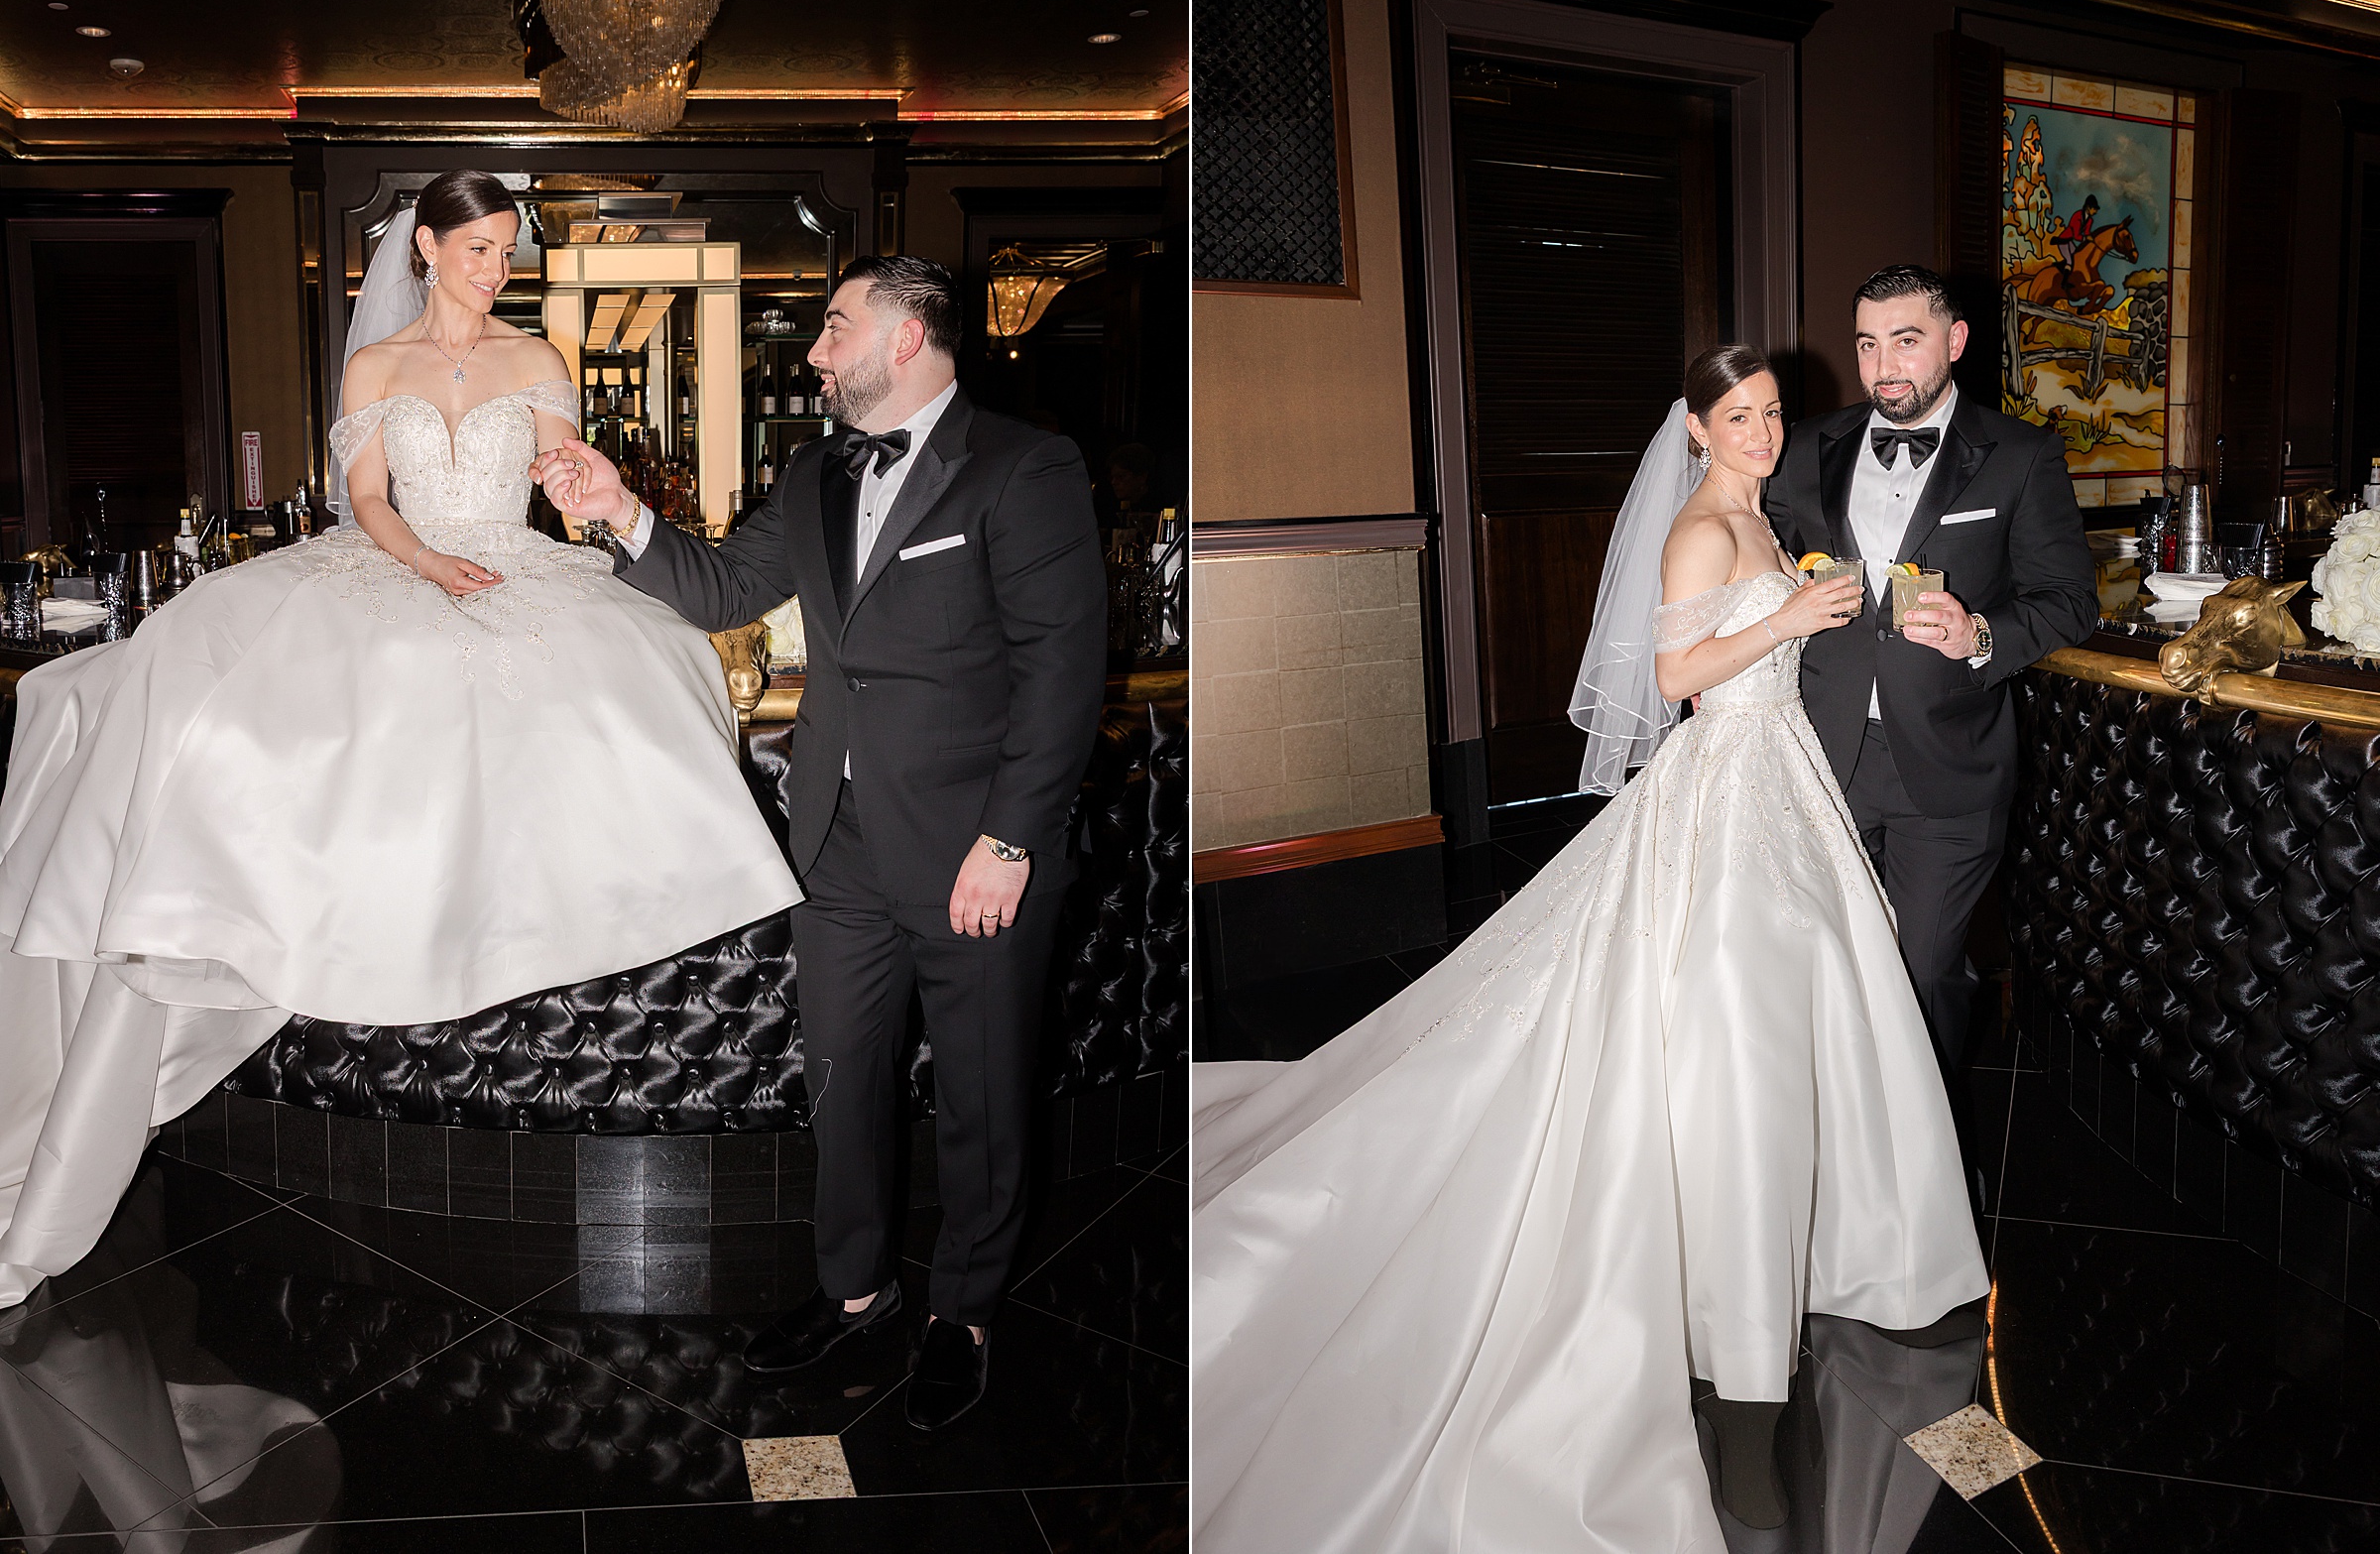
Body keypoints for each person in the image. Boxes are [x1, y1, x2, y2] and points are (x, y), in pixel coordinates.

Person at [1192, 344, 1987, 1551]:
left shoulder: (1761, 517)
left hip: (1785, 779)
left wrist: (1802, 604)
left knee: (1820, 1012)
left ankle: (1838, 1240)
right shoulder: (1700, 534)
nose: (1764, 432)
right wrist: (1792, 616)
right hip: (1725, 782)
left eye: (1773, 412)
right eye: (1740, 415)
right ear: (1697, 423)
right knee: (1733, 1030)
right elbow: (1677, 676)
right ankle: (1738, 1372)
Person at [0, 169, 799, 1312]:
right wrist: (424, 563)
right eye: (479, 249)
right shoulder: (376, 366)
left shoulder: (539, 361)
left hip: (520, 561)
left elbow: (560, 487)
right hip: (401, 559)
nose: (498, 268)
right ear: (426, 247)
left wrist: (582, 487)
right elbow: (368, 498)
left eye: (508, 250)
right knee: (278, 688)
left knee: (637, 676)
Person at [533, 255, 1107, 1432]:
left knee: (982, 1099)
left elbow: (1064, 671)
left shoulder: (1023, 465)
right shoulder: (813, 470)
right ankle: (856, 1292)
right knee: (842, 1086)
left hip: (972, 857)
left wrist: (1010, 839)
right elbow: (720, 585)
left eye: (835, 326)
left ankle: (966, 1311)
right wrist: (617, 510)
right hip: (836, 850)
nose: (815, 350)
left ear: (906, 337)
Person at [1767, 263, 2097, 1210]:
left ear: (1953, 341)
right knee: (1826, 965)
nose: (1883, 365)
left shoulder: (2019, 456)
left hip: (1947, 765)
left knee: (1925, 966)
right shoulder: (1810, 447)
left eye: (1905, 340)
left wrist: (1982, 634)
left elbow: (2069, 599)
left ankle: (1930, 1159)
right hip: (1815, 757)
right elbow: (1756, 559)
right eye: (1867, 343)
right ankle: (1843, 1160)